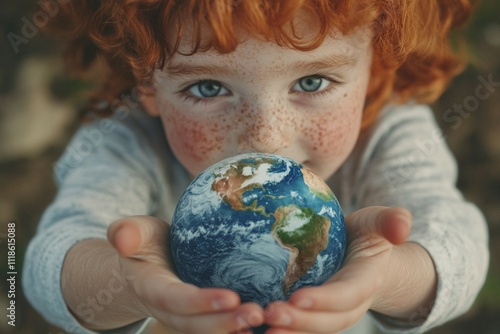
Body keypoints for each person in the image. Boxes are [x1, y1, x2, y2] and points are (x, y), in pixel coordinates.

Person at [23, 1, 489, 333]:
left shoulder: (391, 136)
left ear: (376, 66)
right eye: (207, 88)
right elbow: (48, 264)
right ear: (147, 85)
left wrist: (384, 278)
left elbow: (459, 247)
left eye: (312, 80)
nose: (267, 138)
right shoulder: (125, 142)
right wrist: (126, 285)